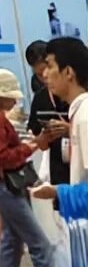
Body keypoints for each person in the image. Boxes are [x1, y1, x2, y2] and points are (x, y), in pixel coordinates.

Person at [0, 68, 58, 267]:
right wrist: (31, 147)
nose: (14, 101)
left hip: (4, 184)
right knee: (40, 245)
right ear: (1, 96)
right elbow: (2, 158)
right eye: (11, 97)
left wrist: (29, 146)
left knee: (11, 242)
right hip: (7, 185)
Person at [43, 36, 88, 185]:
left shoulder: (85, 115)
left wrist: (61, 192)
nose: (45, 74)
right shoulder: (79, 111)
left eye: (50, 66)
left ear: (68, 72)